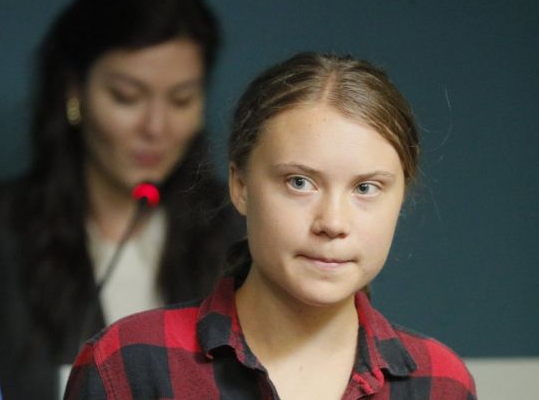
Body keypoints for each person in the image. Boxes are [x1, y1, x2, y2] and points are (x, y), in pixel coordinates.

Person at [64, 52, 476, 399]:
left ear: (400, 197)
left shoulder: (440, 381)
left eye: (366, 188)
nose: (333, 223)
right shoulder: (128, 364)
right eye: (299, 182)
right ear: (240, 185)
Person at [0, 0, 244, 399]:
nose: (156, 127)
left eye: (181, 99)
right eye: (127, 97)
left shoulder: (238, 230)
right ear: (75, 92)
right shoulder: (8, 233)